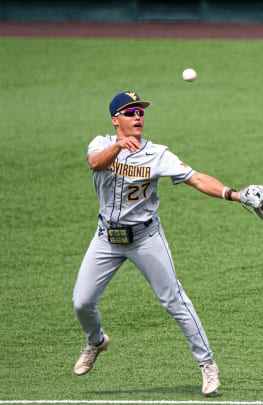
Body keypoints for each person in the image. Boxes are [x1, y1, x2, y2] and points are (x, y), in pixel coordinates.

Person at [72, 90, 251, 396]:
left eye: (140, 111)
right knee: (82, 301)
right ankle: (96, 341)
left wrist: (234, 194)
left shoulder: (157, 154)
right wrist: (117, 147)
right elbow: (94, 163)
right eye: (130, 112)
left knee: (174, 301)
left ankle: (207, 365)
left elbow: (196, 178)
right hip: (107, 238)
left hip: (145, 238)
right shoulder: (101, 143)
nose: (138, 116)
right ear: (116, 120)